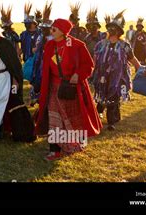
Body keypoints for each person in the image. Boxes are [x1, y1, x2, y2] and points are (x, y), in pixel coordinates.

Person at [33, 18, 102, 161]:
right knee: (54, 117)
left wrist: (78, 74)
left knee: (70, 118)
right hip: (53, 87)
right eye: (51, 28)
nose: (51, 31)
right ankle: (55, 150)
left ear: (63, 32)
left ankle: (71, 145)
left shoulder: (77, 45)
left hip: (71, 88)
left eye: (54, 29)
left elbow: (89, 65)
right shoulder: (50, 45)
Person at [92, 11, 142, 130]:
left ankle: (111, 122)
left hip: (118, 77)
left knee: (113, 97)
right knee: (101, 96)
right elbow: (95, 59)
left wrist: (140, 68)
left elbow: (132, 58)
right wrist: (91, 70)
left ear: (119, 31)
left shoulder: (124, 45)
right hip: (102, 75)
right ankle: (98, 112)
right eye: (110, 28)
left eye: (114, 28)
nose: (112, 30)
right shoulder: (100, 44)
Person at [30, 1, 53, 104]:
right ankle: (40, 99)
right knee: (39, 80)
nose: (44, 30)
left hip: (50, 63)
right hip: (39, 63)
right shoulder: (40, 36)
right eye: (43, 28)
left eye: (46, 29)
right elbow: (35, 48)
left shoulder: (53, 38)